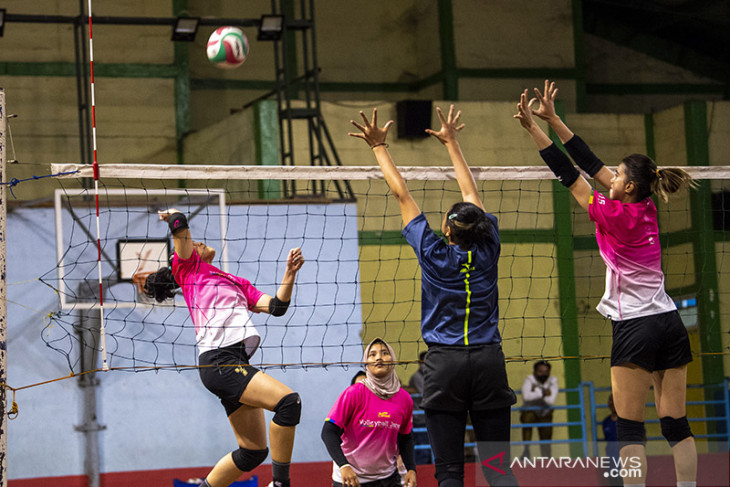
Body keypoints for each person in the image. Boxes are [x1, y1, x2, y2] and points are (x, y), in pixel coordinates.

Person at [515, 80, 697, 487]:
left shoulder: (614, 215)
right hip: (669, 322)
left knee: (630, 429)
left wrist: (531, 128)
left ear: (627, 186)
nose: (608, 175)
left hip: (635, 326)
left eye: (616, 174)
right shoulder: (645, 205)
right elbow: (590, 162)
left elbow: (569, 173)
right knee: (676, 425)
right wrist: (555, 120)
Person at [350, 106, 518, 487]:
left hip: (444, 367)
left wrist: (379, 146)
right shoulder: (489, 248)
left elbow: (401, 192)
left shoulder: (433, 252)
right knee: (497, 469)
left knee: (448, 472)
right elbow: (470, 192)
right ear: (480, 228)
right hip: (490, 361)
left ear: (446, 229)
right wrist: (453, 143)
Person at [144, 209, 304, 487]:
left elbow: (277, 307)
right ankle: (281, 485)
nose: (198, 243)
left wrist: (289, 273)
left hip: (234, 362)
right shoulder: (188, 269)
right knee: (289, 403)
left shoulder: (237, 283)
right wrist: (173, 215)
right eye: (193, 244)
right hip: (219, 360)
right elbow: (180, 226)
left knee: (253, 452)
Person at [321, 338, 417, 487]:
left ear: (392, 359)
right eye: (372, 354)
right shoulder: (354, 393)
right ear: (366, 363)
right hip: (351, 479)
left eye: (384, 353)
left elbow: (406, 438)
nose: (379, 357)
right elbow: (328, 433)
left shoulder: (405, 399)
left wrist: (411, 468)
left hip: (387, 478)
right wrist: (343, 465)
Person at [520, 361, 558, 458]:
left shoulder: (553, 381)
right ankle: (526, 452)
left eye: (546, 371)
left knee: (546, 437)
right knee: (527, 419)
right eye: (540, 371)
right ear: (535, 372)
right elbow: (526, 397)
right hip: (530, 411)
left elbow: (550, 401)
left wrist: (535, 392)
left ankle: (546, 460)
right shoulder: (529, 379)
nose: (543, 374)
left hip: (545, 413)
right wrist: (542, 393)